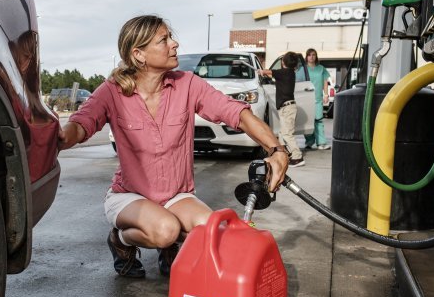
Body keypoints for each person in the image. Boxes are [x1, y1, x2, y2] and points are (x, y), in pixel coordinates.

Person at [58, 15, 289, 279]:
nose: (175, 44)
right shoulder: (112, 91)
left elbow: (236, 113)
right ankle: (121, 241)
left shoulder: (187, 84)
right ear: (139, 54)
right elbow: (80, 125)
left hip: (176, 196)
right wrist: (59, 138)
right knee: (165, 230)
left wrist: (277, 150)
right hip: (130, 196)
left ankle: (171, 247)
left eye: (171, 37)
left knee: (213, 232)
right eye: (164, 40)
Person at [258, 51, 304, 167]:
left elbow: (269, 72)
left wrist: (261, 71)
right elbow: (273, 76)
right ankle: (284, 155)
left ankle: (298, 157)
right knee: (283, 133)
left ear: (283, 62)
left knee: (287, 134)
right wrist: (266, 74)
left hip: (287, 108)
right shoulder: (289, 73)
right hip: (286, 107)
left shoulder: (284, 72)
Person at [302, 48, 331, 150]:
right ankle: (309, 142)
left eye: (313, 55)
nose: (311, 57)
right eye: (309, 55)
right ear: (306, 57)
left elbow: (325, 82)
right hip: (306, 98)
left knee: (318, 120)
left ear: (316, 56)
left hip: (318, 98)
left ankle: (321, 143)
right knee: (308, 121)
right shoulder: (303, 69)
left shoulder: (321, 68)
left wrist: (326, 95)